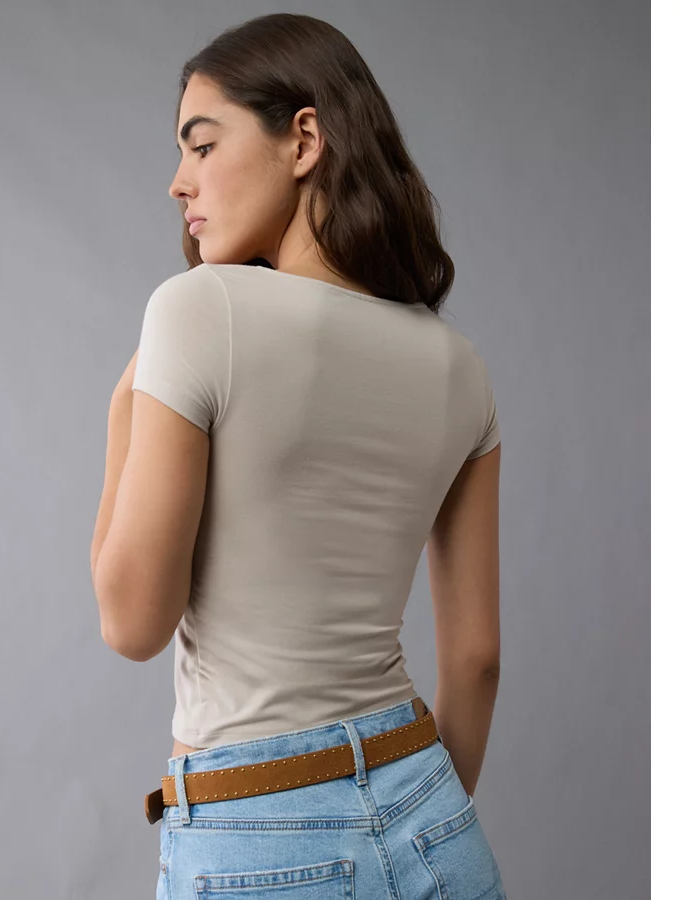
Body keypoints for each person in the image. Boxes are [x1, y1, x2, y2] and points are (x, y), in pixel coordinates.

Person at [92, 12, 506, 899]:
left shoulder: (200, 309)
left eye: (202, 145)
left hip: (257, 834)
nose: (177, 181)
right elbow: (476, 658)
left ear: (305, 140)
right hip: (433, 815)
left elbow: (131, 624)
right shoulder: (460, 366)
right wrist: (419, 823)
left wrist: (123, 408)